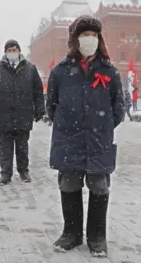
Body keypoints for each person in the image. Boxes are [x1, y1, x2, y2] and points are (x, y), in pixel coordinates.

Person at [46, 15, 124, 257]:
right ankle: (72, 233)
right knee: (69, 183)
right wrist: (68, 124)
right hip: (69, 138)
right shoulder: (60, 72)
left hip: (98, 139)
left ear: (98, 39)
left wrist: (101, 125)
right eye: (84, 35)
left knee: (99, 186)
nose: (88, 39)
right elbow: (52, 106)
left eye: (93, 35)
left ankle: (97, 236)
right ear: (75, 39)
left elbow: (118, 109)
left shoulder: (110, 72)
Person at [0, 39, 45, 185]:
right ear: (5, 52)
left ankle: (24, 171)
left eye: (15, 49)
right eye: (9, 50)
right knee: (5, 147)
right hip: (2, 114)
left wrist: (40, 108)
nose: (12, 52)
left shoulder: (30, 68)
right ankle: (6, 173)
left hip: (24, 114)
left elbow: (37, 91)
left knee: (23, 146)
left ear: (19, 51)